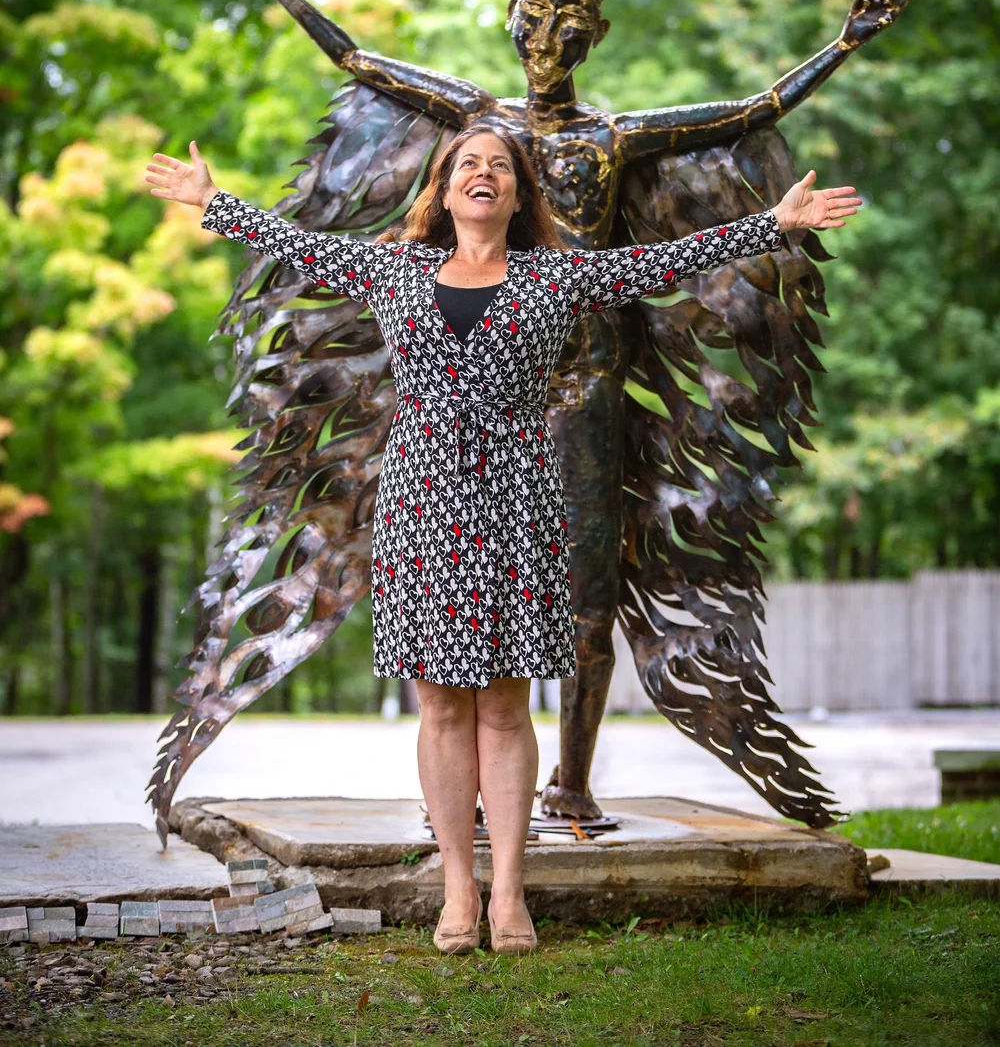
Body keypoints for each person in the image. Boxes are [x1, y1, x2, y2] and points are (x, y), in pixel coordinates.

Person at [146, 125, 861, 953]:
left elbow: (663, 263)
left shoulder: (556, 275)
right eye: (467, 165)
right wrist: (212, 201)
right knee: (442, 704)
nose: (482, 173)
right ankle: (458, 886)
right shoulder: (395, 269)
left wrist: (776, 221)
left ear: (519, 194)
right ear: (445, 189)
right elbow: (300, 246)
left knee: (505, 704)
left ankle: (511, 890)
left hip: (518, 498)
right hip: (422, 503)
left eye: (499, 166)